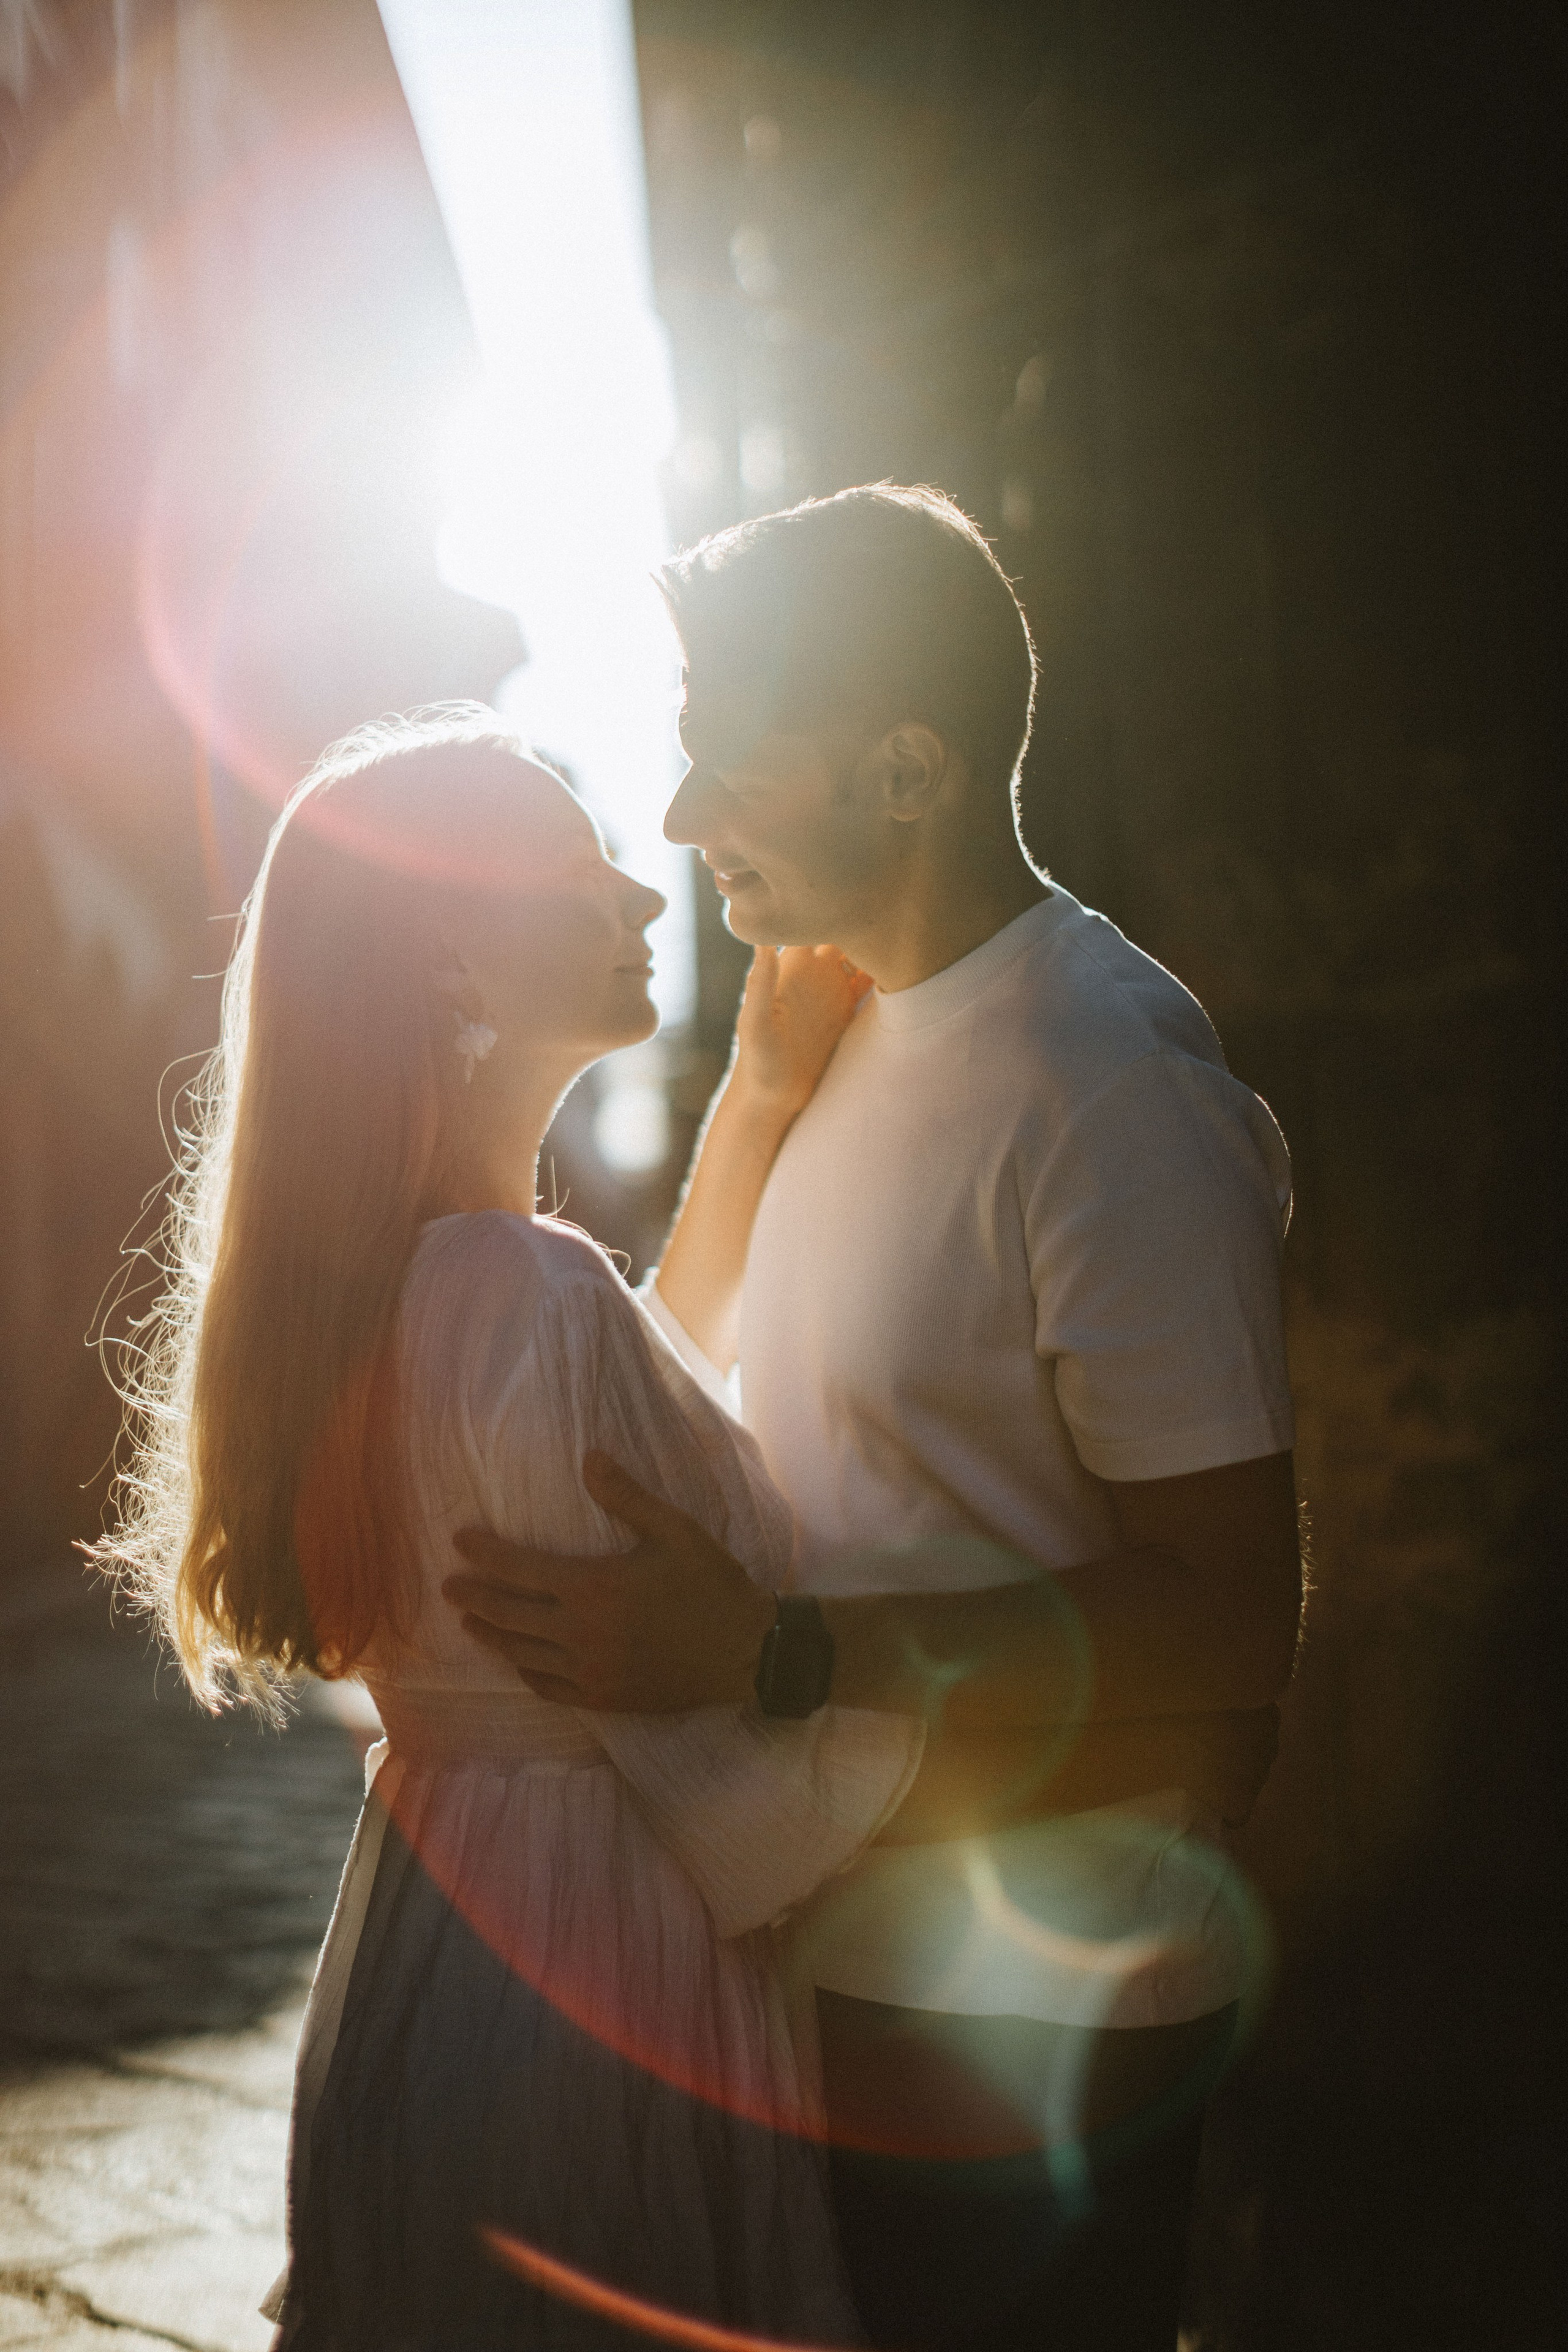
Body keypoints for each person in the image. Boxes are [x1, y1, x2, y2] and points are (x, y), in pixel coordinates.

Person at [447, 488, 1304, 2352]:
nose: (682, 822)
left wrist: (772, 1651)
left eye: (731, 765)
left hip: (1026, 2027)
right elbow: (683, 1375)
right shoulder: (839, 1029)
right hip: (820, 1977)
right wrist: (753, 1101)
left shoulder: (1110, 1089)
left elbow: (1233, 1620)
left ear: (909, 769)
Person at [94, 706, 944, 2350]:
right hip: (600, 1969)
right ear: (450, 968)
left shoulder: (437, 1282)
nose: (642, 900)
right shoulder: (525, 1290)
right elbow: (741, 1779)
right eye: (576, 870)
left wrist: (758, 1104)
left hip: (451, 1939)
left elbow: (633, 1389)